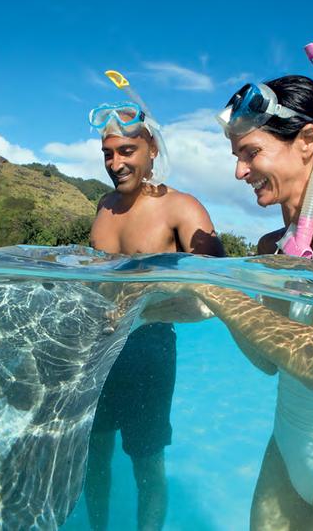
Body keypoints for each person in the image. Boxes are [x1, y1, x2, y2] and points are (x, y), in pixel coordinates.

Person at [155, 75, 313, 529]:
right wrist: (202, 298)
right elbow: (268, 360)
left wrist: (218, 288)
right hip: (285, 458)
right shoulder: (271, 244)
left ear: (309, 140)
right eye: (236, 157)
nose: (239, 171)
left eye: (250, 152)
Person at [84, 101, 224, 531]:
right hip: (97, 349)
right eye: (108, 152)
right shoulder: (103, 209)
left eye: (127, 150)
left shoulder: (182, 209)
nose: (115, 162)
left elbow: (217, 295)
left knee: (148, 463)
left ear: (152, 151)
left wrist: (143, 309)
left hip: (149, 350)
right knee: (95, 456)